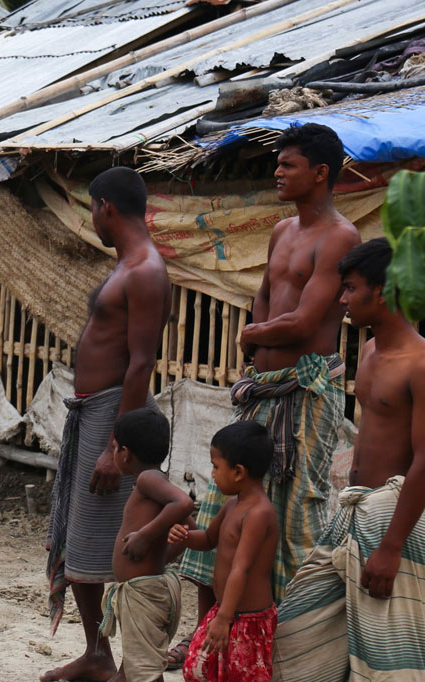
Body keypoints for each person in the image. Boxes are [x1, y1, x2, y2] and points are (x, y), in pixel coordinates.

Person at [170, 123, 361, 669]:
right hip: (263, 391)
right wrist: (255, 342)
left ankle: (289, 640)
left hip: (305, 392)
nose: (277, 172)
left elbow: (302, 322)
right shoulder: (282, 231)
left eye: (288, 164)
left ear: (320, 173)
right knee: (224, 504)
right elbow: (262, 296)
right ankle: (210, 629)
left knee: (293, 516)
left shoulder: (340, 237)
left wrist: (252, 336)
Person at [271, 238, 425, 681]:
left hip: (394, 521)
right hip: (352, 513)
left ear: (383, 291)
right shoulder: (372, 353)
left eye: (351, 289)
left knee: (387, 659)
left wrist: (392, 547)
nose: (342, 300)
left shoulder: (419, 363)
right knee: (295, 631)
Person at [42, 166, 171, 682]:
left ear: (105, 208)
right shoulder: (128, 266)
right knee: (82, 537)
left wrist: (116, 444)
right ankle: (97, 654)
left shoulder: (145, 271)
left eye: (91, 210)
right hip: (92, 413)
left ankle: (131, 664)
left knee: (111, 543)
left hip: (114, 417)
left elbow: (141, 362)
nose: (91, 219)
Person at [168, 421, 279, 682]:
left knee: (239, 675)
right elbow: (208, 539)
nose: (213, 473)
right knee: (197, 669)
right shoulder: (232, 506)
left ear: (238, 472)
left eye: (216, 467)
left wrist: (224, 618)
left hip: (246, 619)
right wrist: (184, 536)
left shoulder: (259, 513)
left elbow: (241, 568)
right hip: (225, 611)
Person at [98, 407, 193, 682]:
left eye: (114, 447)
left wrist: (146, 536)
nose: (114, 453)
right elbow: (191, 530)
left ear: (125, 453)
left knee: (145, 673)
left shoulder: (147, 479)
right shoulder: (154, 482)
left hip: (144, 596)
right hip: (145, 591)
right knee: (135, 668)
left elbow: (184, 504)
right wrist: (161, 555)